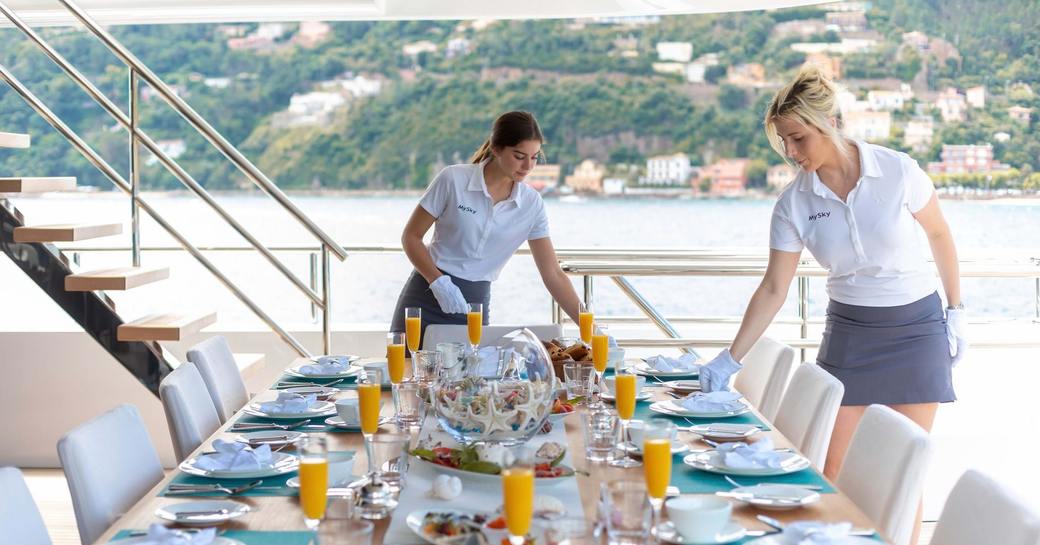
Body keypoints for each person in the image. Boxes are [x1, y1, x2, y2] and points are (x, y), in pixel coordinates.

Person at [699, 66, 966, 493]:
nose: (790, 150)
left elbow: (939, 234)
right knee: (829, 471)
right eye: (783, 140)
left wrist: (956, 311)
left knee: (902, 478)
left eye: (798, 137)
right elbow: (773, 287)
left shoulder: (898, 172)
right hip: (850, 336)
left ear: (832, 124)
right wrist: (732, 357)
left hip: (917, 333)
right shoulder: (793, 203)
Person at [390, 111, 587, 346]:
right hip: (425, 296)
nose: (528, 166)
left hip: (474, 306)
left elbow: (553, 274)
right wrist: (438, 282)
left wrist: (589, 326)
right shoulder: (453, 180)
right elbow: (411, 237)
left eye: (534, 157)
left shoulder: (531, 204)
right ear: (496, 148)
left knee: (468, 380)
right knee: (407, 376)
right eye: (519, 156)